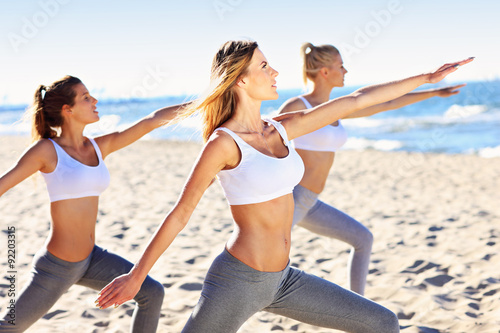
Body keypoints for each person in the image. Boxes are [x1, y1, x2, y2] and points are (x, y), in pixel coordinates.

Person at [95, 40, 472, 332]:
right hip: (238, 280)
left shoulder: (281, 127)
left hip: (285, 279)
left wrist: (427, 78)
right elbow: (181, 213)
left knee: (381, 322)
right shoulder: (223, 144)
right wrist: (137, 275)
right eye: (264, 65)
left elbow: (356, 101)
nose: (275, 71)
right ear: (241, 78)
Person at [0, 75, 188, 332]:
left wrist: (207, 102)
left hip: (92, 259)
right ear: (68, 110)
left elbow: (151, 121)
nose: (95, 100)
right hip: (57, 266)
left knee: (152, 293)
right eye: (86, 97)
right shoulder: (46, 150)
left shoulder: (99, 147)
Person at [278, 42, 467, 295]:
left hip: (310, 202)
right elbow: (265, 141)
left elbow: (386, 104)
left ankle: (359, 306)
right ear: (325, 72)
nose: (345, 71)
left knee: (362, 239)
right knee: (266, 269)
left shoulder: (334, 110)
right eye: (340, 65)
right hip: (291, 199)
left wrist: (433, 93)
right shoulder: (296, 106)